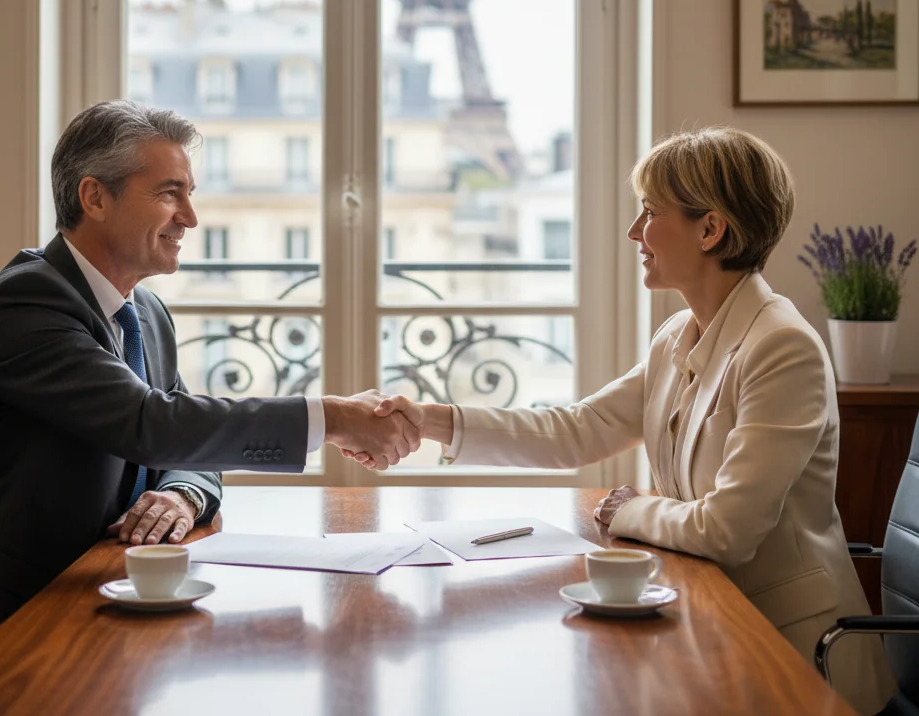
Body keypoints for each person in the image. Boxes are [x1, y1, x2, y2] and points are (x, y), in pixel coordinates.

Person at [353, 127, 895, 716]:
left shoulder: (783, 348)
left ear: (710, 230)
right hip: (709, 619)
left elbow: (728, 530)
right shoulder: (678, 335)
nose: (636, 231)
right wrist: (426, 420)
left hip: (790, 655)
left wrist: (629, 510)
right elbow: (576, 431)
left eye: (651, 212)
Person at [0, 100, 418, 655]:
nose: (190, 218)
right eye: (168, 193)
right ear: (94, 198)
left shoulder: (146, 312)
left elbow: (187, 441)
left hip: (108, 584)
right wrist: (334, 418)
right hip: (9, 610)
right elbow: (153, 424)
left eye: (189, 193)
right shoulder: (26, 302)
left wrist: (181, 494)